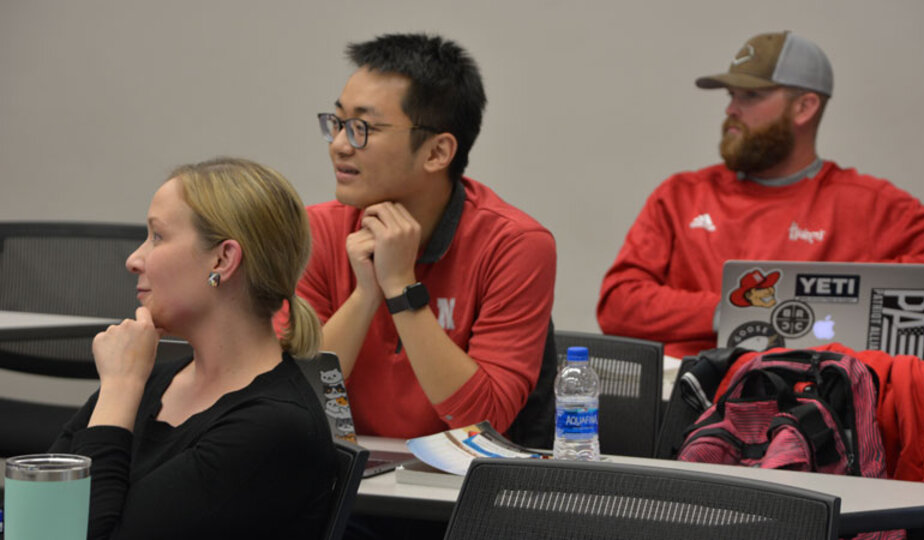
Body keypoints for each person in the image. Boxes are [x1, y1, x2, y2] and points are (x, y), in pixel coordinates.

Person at [598, 31, 924, 359]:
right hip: (687, 400)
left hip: (810, 403)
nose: (730, 109)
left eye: (751, 96)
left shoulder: (865, 202)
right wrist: (733, 309)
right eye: (731, 95)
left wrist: (852, 289)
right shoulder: (679, 196)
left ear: (804, 107)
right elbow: (617, 305)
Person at [278, 33, 557, 440]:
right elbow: (289, 400)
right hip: (342, 485)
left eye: (363, 128)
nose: (339, 145)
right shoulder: (314, 232)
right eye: (337, 123)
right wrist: (365, 295)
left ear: (436, 153)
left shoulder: (515, 245)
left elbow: (485, 421)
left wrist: (401, 288)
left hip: (462, 492)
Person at [51, 158, 337, 539]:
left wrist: (118, 391)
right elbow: (40, 512)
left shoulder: (274, 429)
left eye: (157, 237)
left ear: (223, 259)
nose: (134, 259)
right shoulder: (151, 381)